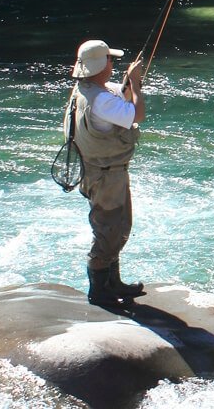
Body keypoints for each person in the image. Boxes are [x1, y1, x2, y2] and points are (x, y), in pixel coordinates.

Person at [68, 38, 147, 306]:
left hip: (99, 170)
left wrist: (128, 82)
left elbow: (117, 97)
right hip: (105, 174)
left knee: (117, 227)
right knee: (109, 230)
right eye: (110, 59)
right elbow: (136, 114)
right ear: (101, 65)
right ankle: (100, 292)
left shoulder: (86, 89)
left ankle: (113, 283)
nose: (113, 63)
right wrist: (135, 84)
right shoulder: (100, 99)